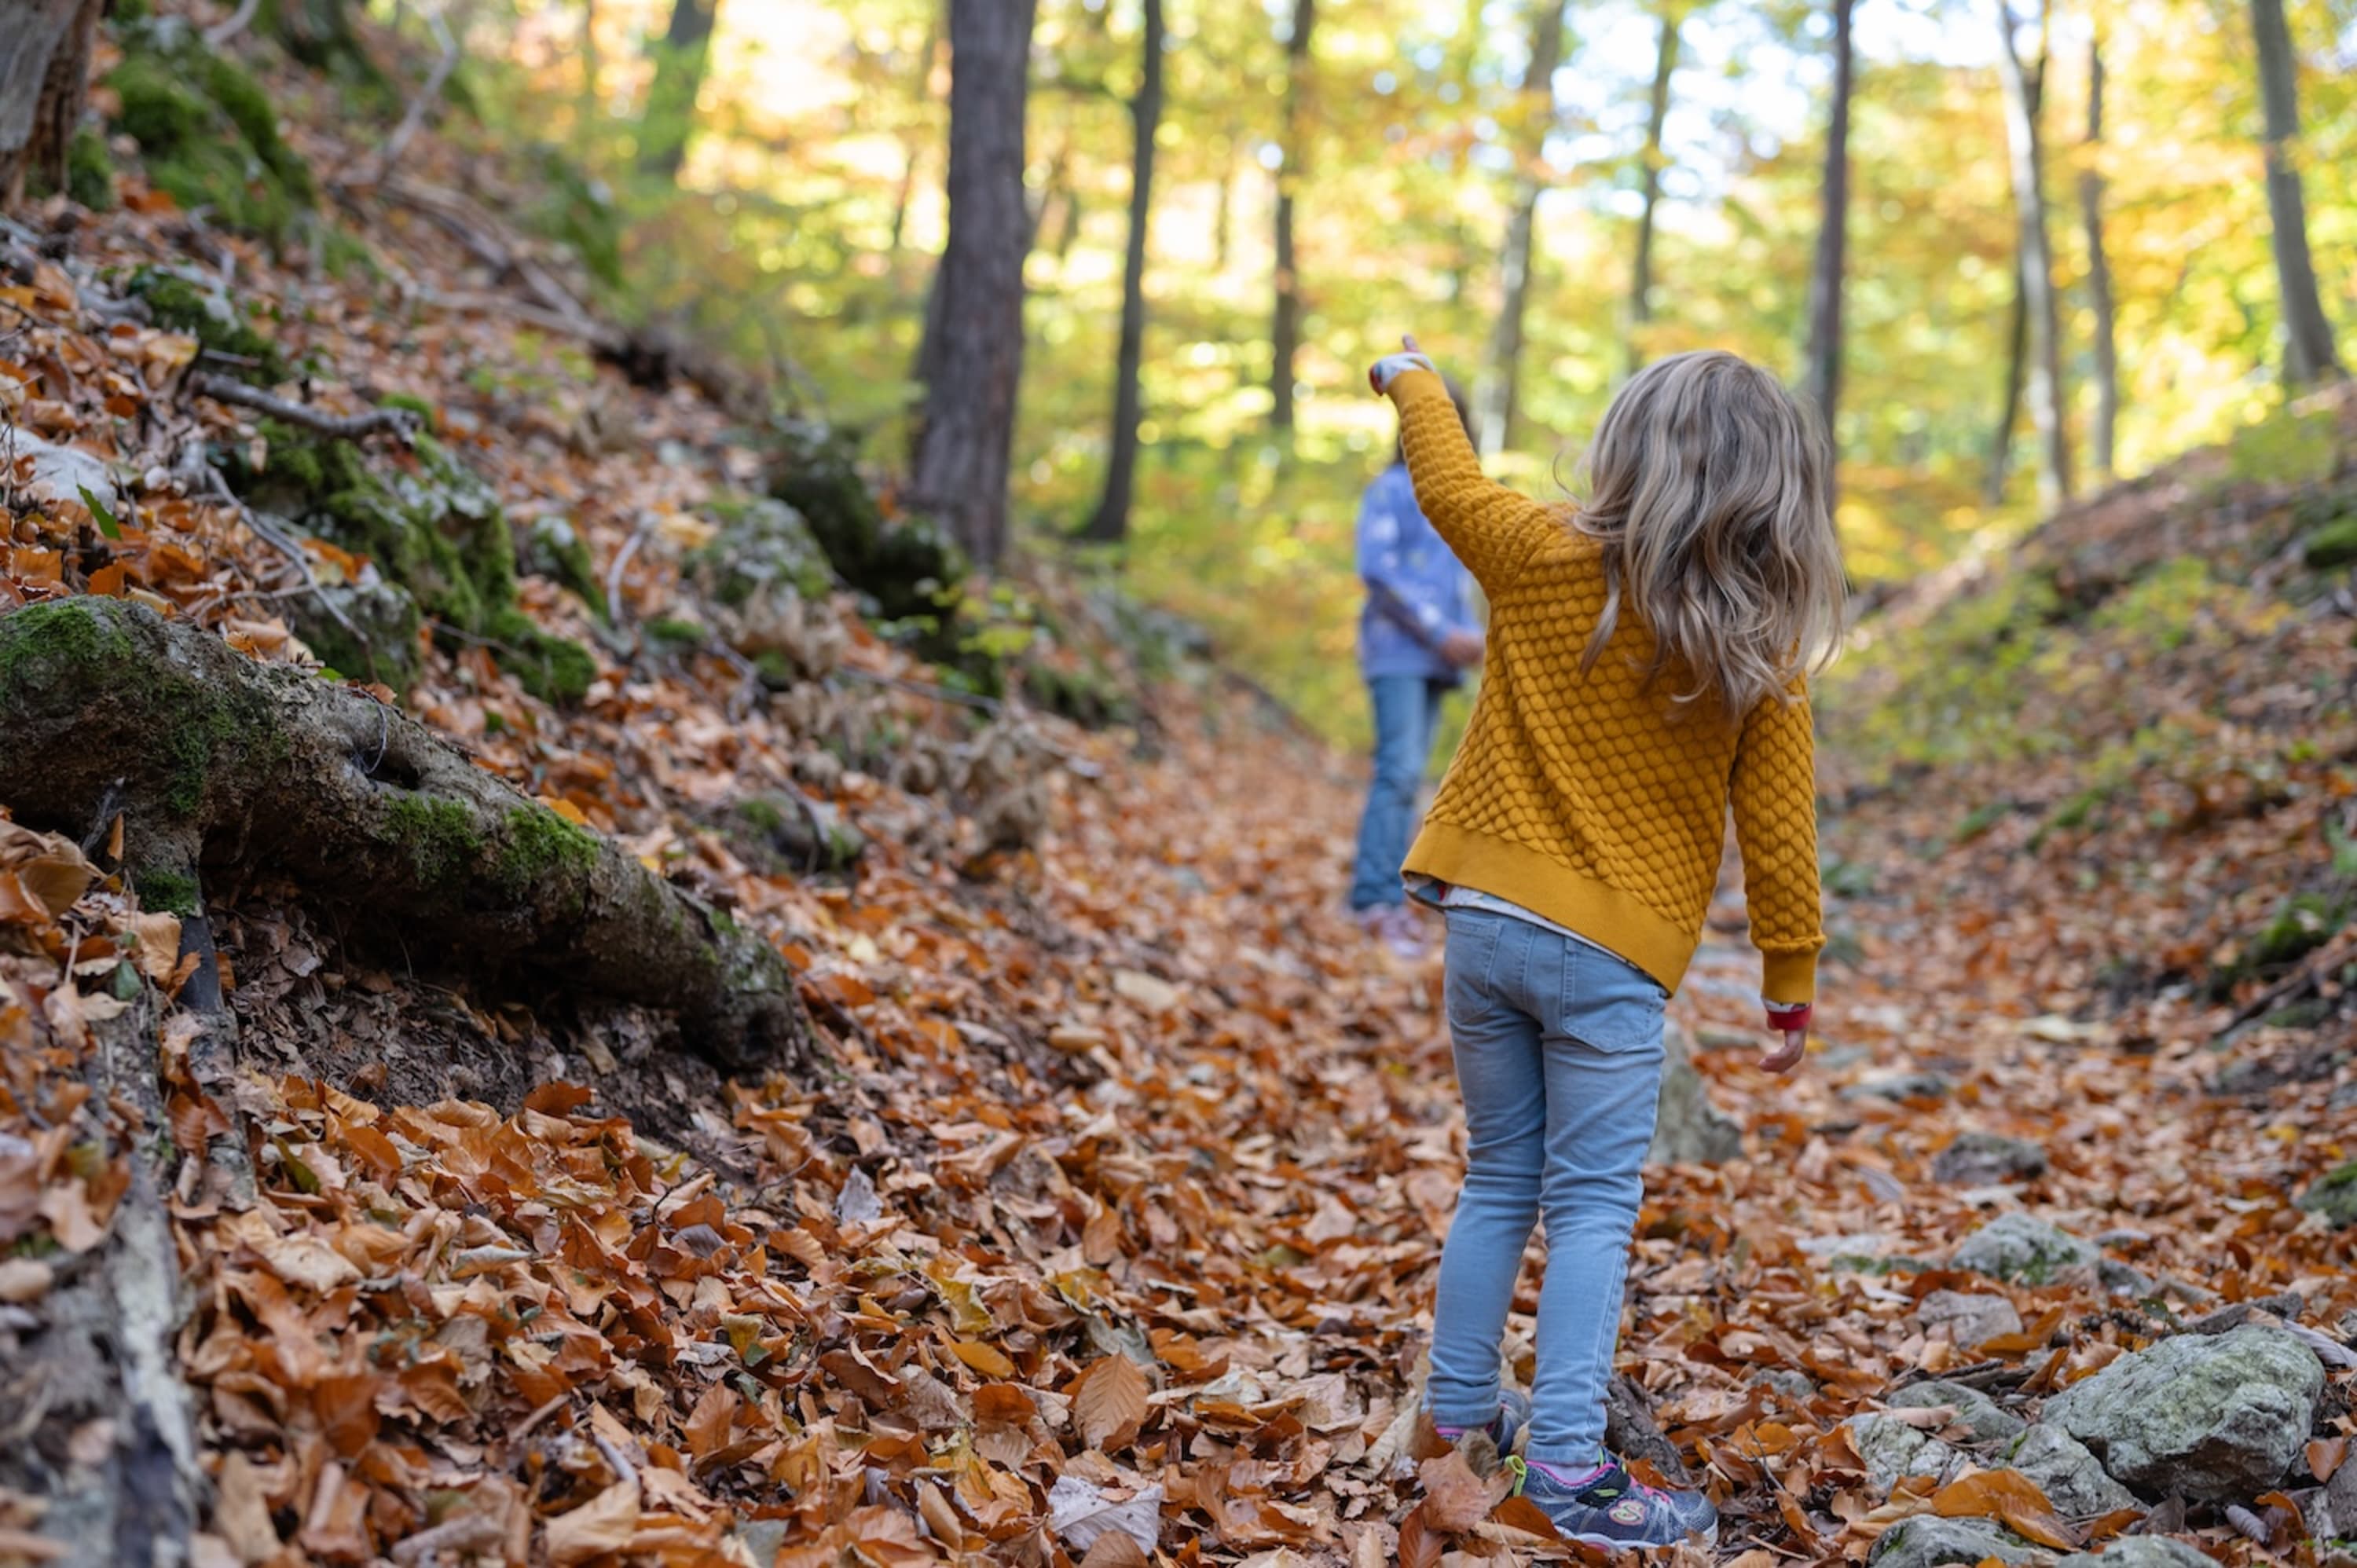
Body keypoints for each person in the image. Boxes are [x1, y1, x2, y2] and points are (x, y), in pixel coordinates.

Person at [1364, 336, 1843, 1549]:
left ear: (1626, 448)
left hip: (1482, 926)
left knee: (1497, 1177)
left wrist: (1411, 376)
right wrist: (1789, 980)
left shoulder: (1539, 557)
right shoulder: (1759, 649)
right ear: (1775, 492)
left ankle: (1453, 1415)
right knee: (1589, 1208)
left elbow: (1447, 485)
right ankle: (1568, 1467)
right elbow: (1778, 836)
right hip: (1611, 963)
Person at [1348, 382, 1484, 958]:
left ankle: (1391, 895)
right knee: (1399, 771)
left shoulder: (1454, 499)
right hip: (1397, 652)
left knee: (1417, 776)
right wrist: (1439, 630)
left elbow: (1457, 580)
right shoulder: (1391, 490)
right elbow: (1378, 572)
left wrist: (1474, 634)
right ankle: (1372, 900)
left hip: (1438, 661)